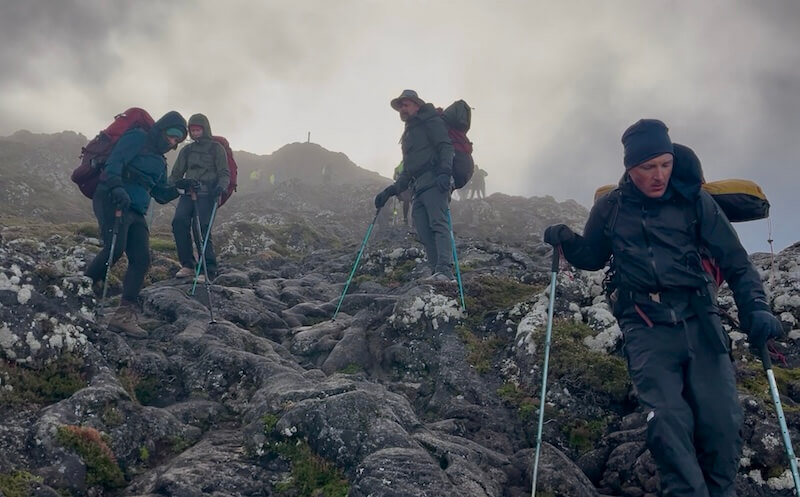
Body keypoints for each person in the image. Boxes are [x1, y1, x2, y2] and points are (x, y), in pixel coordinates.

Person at [543, 119, 784, 497]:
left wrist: (756, 309)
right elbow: (592, 255)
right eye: (647, 167)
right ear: (629, 168)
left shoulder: (695, 201)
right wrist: (568, 241)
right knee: (668, 422)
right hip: (645, 325)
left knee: (721, 424)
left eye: (665, 164)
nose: (659, 176)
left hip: (701, 319)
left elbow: (737, 264)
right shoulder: (611, 208)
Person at [84, 111, 187, 337]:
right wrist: (117, 187)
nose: (172, 142)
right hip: (112, 198)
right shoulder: (137, 137)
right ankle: (80, 290)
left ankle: (123, 316)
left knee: (141, 259)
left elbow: (159, 193)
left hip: (137, 209)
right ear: (162, 128)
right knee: (115, 248)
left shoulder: (161, 161)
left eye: (177, 140)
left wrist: (180, 188)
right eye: (172, 135)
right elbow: (114, 163)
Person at [374, 90, 455, 282]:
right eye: (400, 106)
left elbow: (445, 145)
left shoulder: (430, 121)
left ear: (417, 105)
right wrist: (390, 191)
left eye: (406, 105)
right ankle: (436, 271)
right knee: (423, 230)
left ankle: (445, 270)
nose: (402, 109)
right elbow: (408, 170)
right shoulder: (409, 132)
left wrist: (445, 172)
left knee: (438, 223)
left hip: (435, 180)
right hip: (418, 187)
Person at [169, 114, 230, 281]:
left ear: (205, 129)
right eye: (192, 130)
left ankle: (208, 270)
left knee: (201, 228)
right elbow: (175, 174)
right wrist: (173, 185)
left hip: (208, 195)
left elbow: (224, 173)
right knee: (179, 222)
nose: (195, 133)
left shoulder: (216, 148)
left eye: (197, 129)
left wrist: (220, 187)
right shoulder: (186, 150)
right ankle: (188, 265)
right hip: (188, 194)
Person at [392, 161, 412, 228]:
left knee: (403, 202)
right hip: (409, 188)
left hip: (400, 189)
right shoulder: (411, 163)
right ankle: (407, 218)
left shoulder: (398, 167)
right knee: (408, 200)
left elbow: (394, 177)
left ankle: (400, 218)